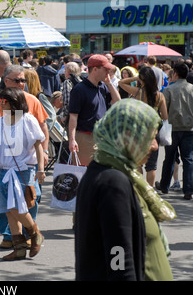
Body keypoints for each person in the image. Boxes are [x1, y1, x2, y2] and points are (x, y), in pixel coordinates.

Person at [75, 98, 175, 281]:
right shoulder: (112, 182)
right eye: (150, 137)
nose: (154, 145)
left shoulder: (114, 173)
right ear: (127, 136)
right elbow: (118, 254)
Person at [0, 65, 49, 249]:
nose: (21, 84)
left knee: (24, 204)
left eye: (23, 80)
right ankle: (15, 242)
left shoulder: (29, 112)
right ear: (6, 80)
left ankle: (32, 234)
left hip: (24, 167)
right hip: (3, 169)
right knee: (7, 209)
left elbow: (41, 134)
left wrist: (42, 165)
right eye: (17, 80)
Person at [118, 66, 168, 187]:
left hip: (138, 133)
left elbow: (121, 82)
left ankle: (140, 190)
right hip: (153, 134)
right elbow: (165, 116)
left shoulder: (138, 92)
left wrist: (136, 77)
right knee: (151, 166)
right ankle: (150, 191)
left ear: (142, 78)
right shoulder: (160, 96)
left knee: (138, 164)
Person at [68, 54, 121, 166]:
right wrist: (72, 140)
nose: (108, 72)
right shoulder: (79, 89)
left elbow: (117, 102)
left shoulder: (102, 86)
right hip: (85, 137)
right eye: (105, 69)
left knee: (100, 174)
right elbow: (73, 116)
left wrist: (109, 84)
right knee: (85, 174)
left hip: (101, 138)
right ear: (95, 69)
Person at [156, 63, 193, 200]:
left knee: (170, 158)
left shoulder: (169, 90)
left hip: (172, 128)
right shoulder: (192, 88)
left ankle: (165, 185)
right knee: (188, 159)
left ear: (175, 74)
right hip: (189, 128)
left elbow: (163, 110)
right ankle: (188, 189)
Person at [59, 61, 82, 127]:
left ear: (69, 71)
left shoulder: (67, 82)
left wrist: (65, 116)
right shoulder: (81, 81)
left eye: (65, 70)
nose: (64, 72)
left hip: (71, 116)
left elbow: (67, 100)